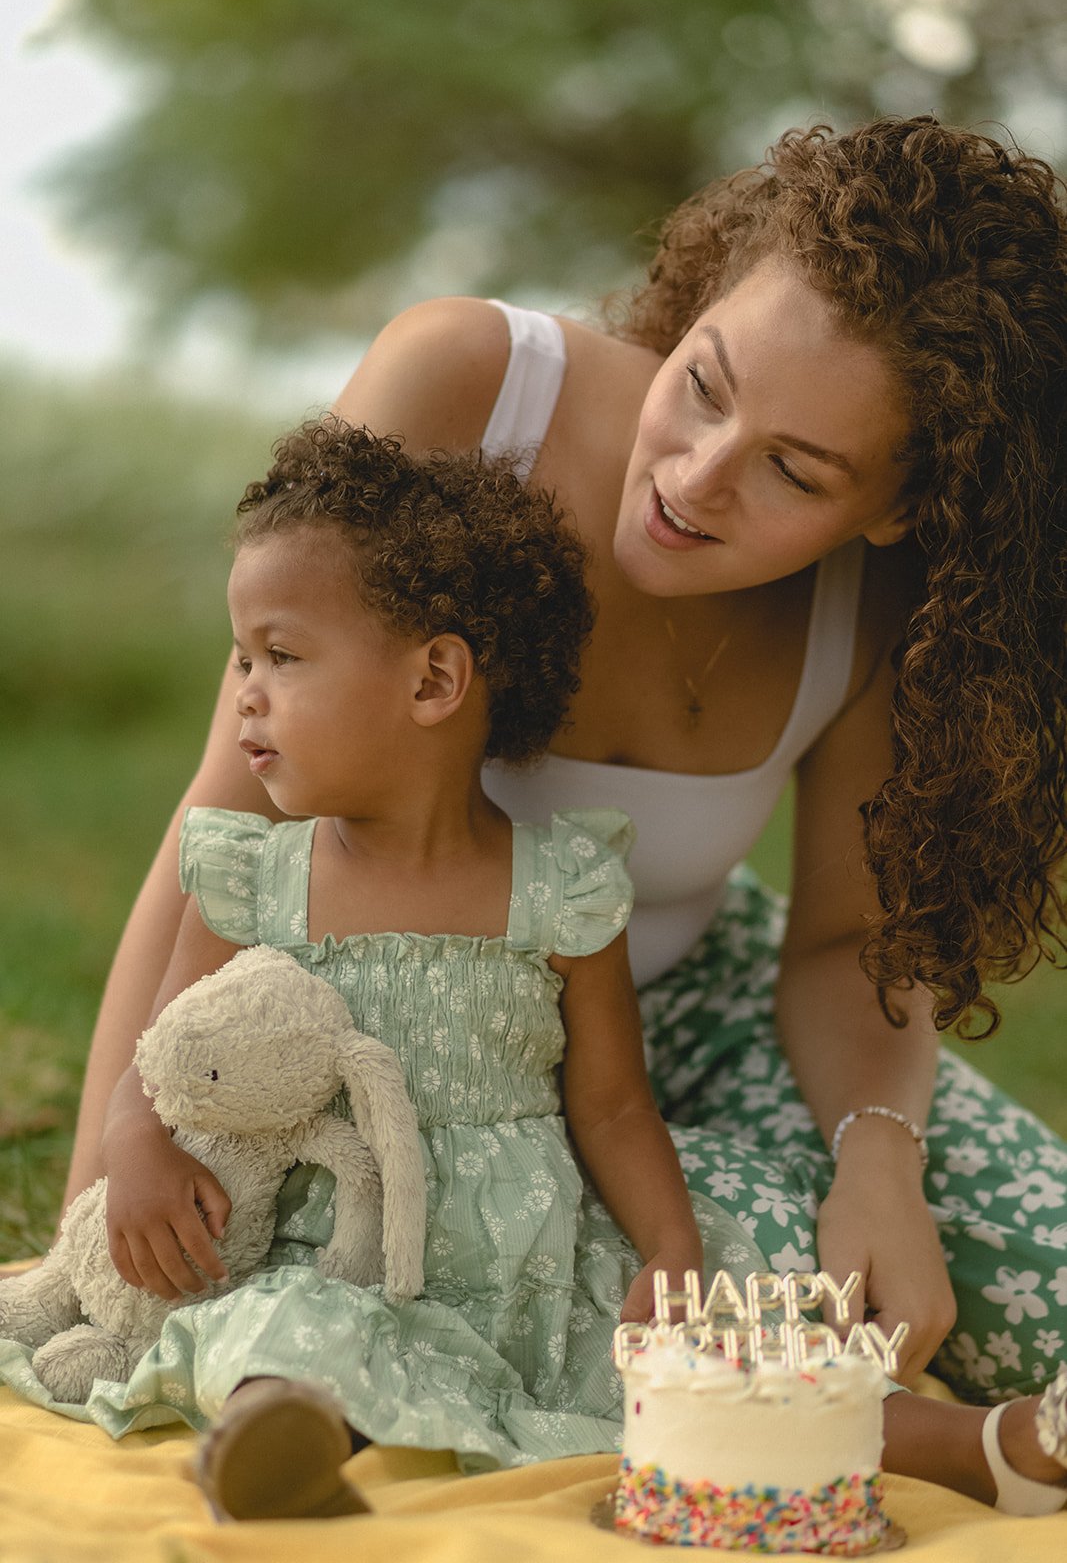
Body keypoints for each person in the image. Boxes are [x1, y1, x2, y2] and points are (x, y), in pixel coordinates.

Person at [55, 115, 1066, 1505]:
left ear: (894, 510)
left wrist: (877, 1161)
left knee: (1029, 1266)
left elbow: (847, 947)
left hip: (685, 1008)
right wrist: (96, 1212)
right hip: (423, 1049)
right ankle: (915, 1431)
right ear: (703, 298)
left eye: (795, 471)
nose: (695, 478)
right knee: (745, 1260)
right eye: (703, 386)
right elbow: (226, 831)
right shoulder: (474, 387)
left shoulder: (877, 607)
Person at [72, 421, 760, 1515]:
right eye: (240, 657)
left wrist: (668, 1245)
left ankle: (979, 1444)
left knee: (709, 1364)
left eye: (281, 656)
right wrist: (134, 1143)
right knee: (284, 1328)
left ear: (434, 677)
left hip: (528, 1270)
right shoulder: (256, 876)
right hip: (327, 1256)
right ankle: (283, 1440)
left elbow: (614, 1104)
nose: (244, 690)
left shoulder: (561, 890)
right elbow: (164, 1059)